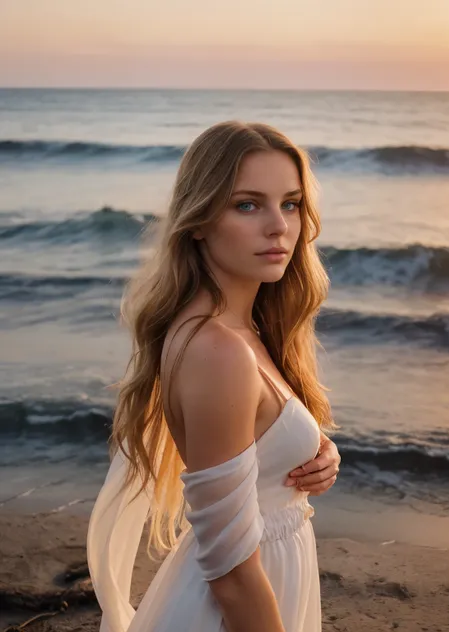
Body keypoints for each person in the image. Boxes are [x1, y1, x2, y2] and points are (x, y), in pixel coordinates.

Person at [87, 120, 341, 632]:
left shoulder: (241, 329)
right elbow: (231, 573)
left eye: (290, 203)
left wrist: (314, 450)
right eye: (247, 204)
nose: (279, 226)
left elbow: (255, 445)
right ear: (199, 219)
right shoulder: (218, 350)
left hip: (267, 582)